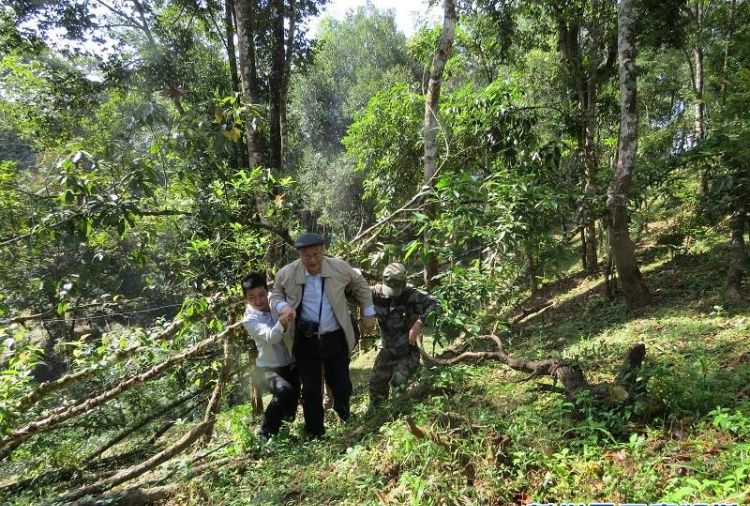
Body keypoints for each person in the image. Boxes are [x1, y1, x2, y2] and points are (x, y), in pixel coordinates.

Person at [270, 233, 375, 438]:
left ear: (323, 251)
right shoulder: (287, 273)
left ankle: (344, 413)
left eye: (316, 254)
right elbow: (275, 294)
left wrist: (369, 312)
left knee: (342, 384)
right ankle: (315, 431)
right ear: (299, 255)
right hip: (305, 340)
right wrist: (283, 307)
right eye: (306, 256)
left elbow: (361, 283)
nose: (312, 260)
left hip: (334, 337)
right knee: (310, 389)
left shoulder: (339, 267)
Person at [369, 262, 439, 407]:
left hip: (408, 352)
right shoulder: (375, 294)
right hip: (386, 351)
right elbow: (350, 293)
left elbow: (436, 305)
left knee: (398, 383)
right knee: (376, 387)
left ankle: (401, 416)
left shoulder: (413, 295)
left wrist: (419, 322)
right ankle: (377, 420)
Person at [241, 272, 300, 438]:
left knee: (290, 409)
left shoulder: (276, 301)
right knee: (284, 391)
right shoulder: (249, 319)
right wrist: (281, 322)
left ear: (267, 291)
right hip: (267, 368)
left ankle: (283, 435)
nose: (258, 301)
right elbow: (270, 337)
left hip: (291, 363)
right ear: (246, 299)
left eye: (261, 295)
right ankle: (264, 433)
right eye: (252, 298)